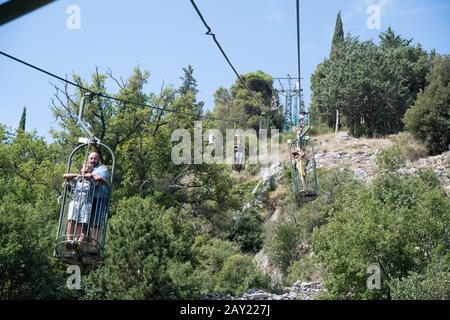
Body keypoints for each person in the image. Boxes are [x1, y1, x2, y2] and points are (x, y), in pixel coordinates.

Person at [64, 163, 95, 248]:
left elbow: (94, 179)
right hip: (76, 201)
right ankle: (69, 240)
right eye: (85, 167)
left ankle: (76, 242)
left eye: (89, 168)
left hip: (86, 203)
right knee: (71, 220)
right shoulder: (76, 178)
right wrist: (78, 175)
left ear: (91, 171)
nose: (86, 169)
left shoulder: (91, 180)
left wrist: (90, 176)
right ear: (81, 169)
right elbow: (65, 176)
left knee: (81, 223)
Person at [85, 152, 110, 252]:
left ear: (98, 160)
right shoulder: (86, 168)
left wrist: (89, 174)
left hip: (99, 198)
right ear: (88, 160)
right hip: (87, 198)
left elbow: (98, 178)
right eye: (91, 158)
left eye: (95, 158)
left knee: (96, 222)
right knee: (83, 221)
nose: (93, 160)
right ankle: (79, 242)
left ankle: (94, 245)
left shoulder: (102, 168)